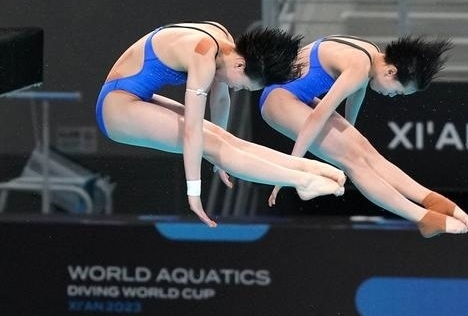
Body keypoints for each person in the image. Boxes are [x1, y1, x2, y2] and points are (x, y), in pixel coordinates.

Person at [96, 21, 345, 227]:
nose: (236, 88)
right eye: (242, 85)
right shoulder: (204, 52)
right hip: (115, 109)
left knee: (225, 140)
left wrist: (220, 158)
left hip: (135, 96)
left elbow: (221, 100)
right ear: (240, 64)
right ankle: (302, 181)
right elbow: (192, 132)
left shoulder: (223, 40)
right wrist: (194, 194)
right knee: (213, 145)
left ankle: (309, 168)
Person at [258, 34, 468, 238]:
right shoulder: (359, 66)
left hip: (297, 96)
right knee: (353, 161)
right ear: (391, 72)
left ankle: (431, 199)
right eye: (397, 91)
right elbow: (317, 118)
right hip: (277, 100)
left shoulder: (371, 54)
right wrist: (290, 172)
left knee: (366, 151)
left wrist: (350, 138)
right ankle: (423, 218)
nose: (391, 96)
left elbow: (355, 99)